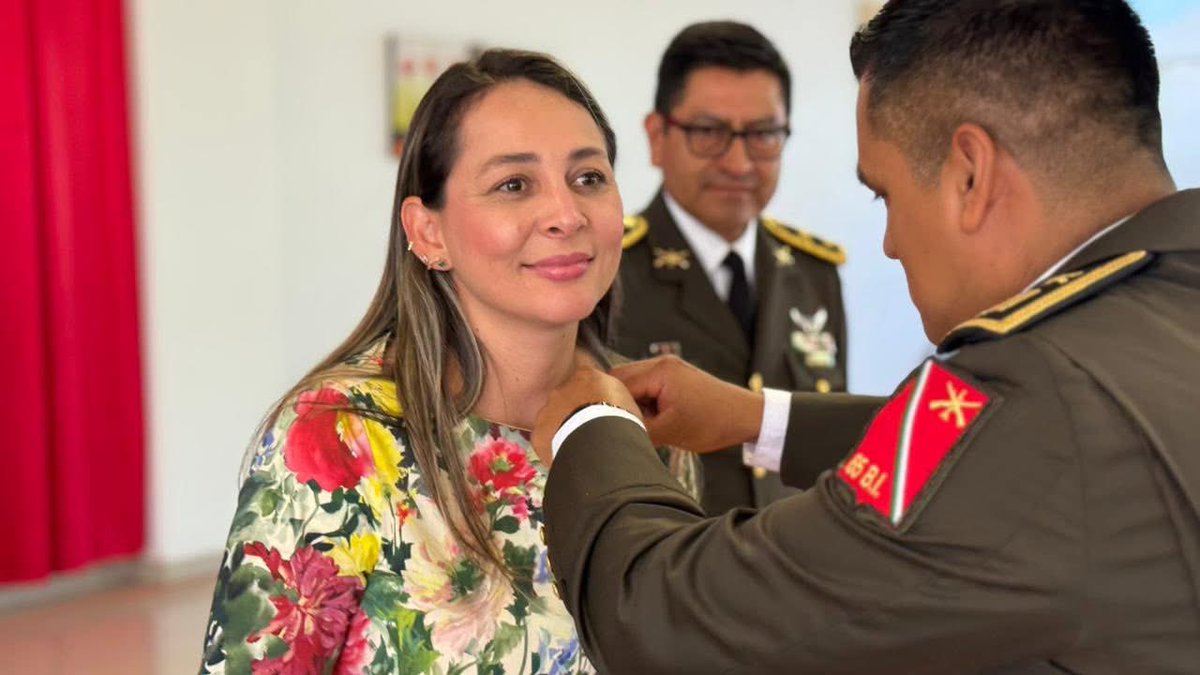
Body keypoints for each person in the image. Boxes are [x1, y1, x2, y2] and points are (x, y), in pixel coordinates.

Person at [530, 1, 1200, 672]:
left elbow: (668, 620)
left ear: (971, 173)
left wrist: (591, 425)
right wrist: (756, 418)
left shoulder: (1041, 392)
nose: (889, 243)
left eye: (885, 196)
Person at [197, 49, 699, 674]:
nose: (567, 215)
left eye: (588, 177)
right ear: (429, 232)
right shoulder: (339, 434)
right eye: (513, 185)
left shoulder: (641, 418)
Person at [614, 21, 849, 514]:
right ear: (657, 137)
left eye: (763, 134)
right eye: (709, 132)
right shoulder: (608, 270)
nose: (740, 163)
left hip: (793, 563)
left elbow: (826, 446)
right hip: (669, 568)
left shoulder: (812, 273)